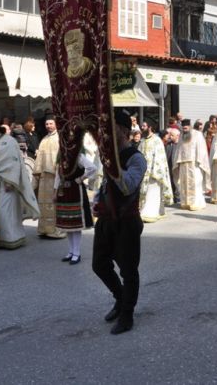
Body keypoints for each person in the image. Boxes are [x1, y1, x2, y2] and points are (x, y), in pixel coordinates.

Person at [92, 109, 147, 335]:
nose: (106, 132)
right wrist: (98, 199)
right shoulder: (108, 153)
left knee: (128, 270)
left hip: (127, 221)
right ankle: (120, 297)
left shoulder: (136, 158)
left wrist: (114, 168)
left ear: (124, 130)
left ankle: (127, 314)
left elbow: (129, 185)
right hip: (106, 220)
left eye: (111, 127)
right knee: (99, 265)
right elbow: (105, 184)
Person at [0, 117, 40, 249]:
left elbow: (15, 163)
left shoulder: (10, 141)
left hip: (6, 182)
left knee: (5, 211)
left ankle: (11, 239)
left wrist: (11, 182)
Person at [57, 140, 98, 265]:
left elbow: (93, 168)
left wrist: (81, 179)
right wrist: (55, 192)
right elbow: (58, 176)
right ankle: (70, 251)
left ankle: (77, 253)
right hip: (64, 191)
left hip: (75, 191)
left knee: (75, 224)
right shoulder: (61, 157)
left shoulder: (78, 156)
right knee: (67, 224)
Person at [33, 115, 67, 239]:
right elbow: (39, 159)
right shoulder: (44, 139)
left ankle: (56, 230)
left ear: (56, 124)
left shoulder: (60, 138)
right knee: (43, 204)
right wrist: (37, 174)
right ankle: (44, 229)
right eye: (47, 124)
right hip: (43, 177)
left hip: (54, 176)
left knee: (54, 205)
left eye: (51, 123)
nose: (48, 126)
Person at [137, 121, 173, 223]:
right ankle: (150, 211)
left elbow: (160, 157)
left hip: (154, 172)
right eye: (141, 126)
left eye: (144, 126)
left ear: (150, 127)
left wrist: (154, 171)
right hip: (144, 172)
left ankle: (151, 213)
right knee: (145, 192)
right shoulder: (142, 141)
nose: (142, 127)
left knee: (153, 192)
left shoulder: (157, 140)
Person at [171, 120, 210, 211]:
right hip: (183, 164)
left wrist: (200, 161)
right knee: (184, 184)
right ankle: (186, 203)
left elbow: (201, 149)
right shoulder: (181, 136)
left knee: (195, 183)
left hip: (194, 163)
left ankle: (196, 203)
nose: (185, 129)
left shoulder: (197, 134)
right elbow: (179, 150)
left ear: (190, 126)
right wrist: (177, 162)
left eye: (186, 127)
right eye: (183, 128)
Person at [164, 127, 180, 204]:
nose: (170, 137)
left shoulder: (180, 145)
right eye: (170, 135)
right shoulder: (168, 144)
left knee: (177, 183)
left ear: (177, 136)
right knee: (170, 182)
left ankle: (178, 198)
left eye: (172, 135)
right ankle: (172, 197)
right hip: (169, 166)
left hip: (177, 167)